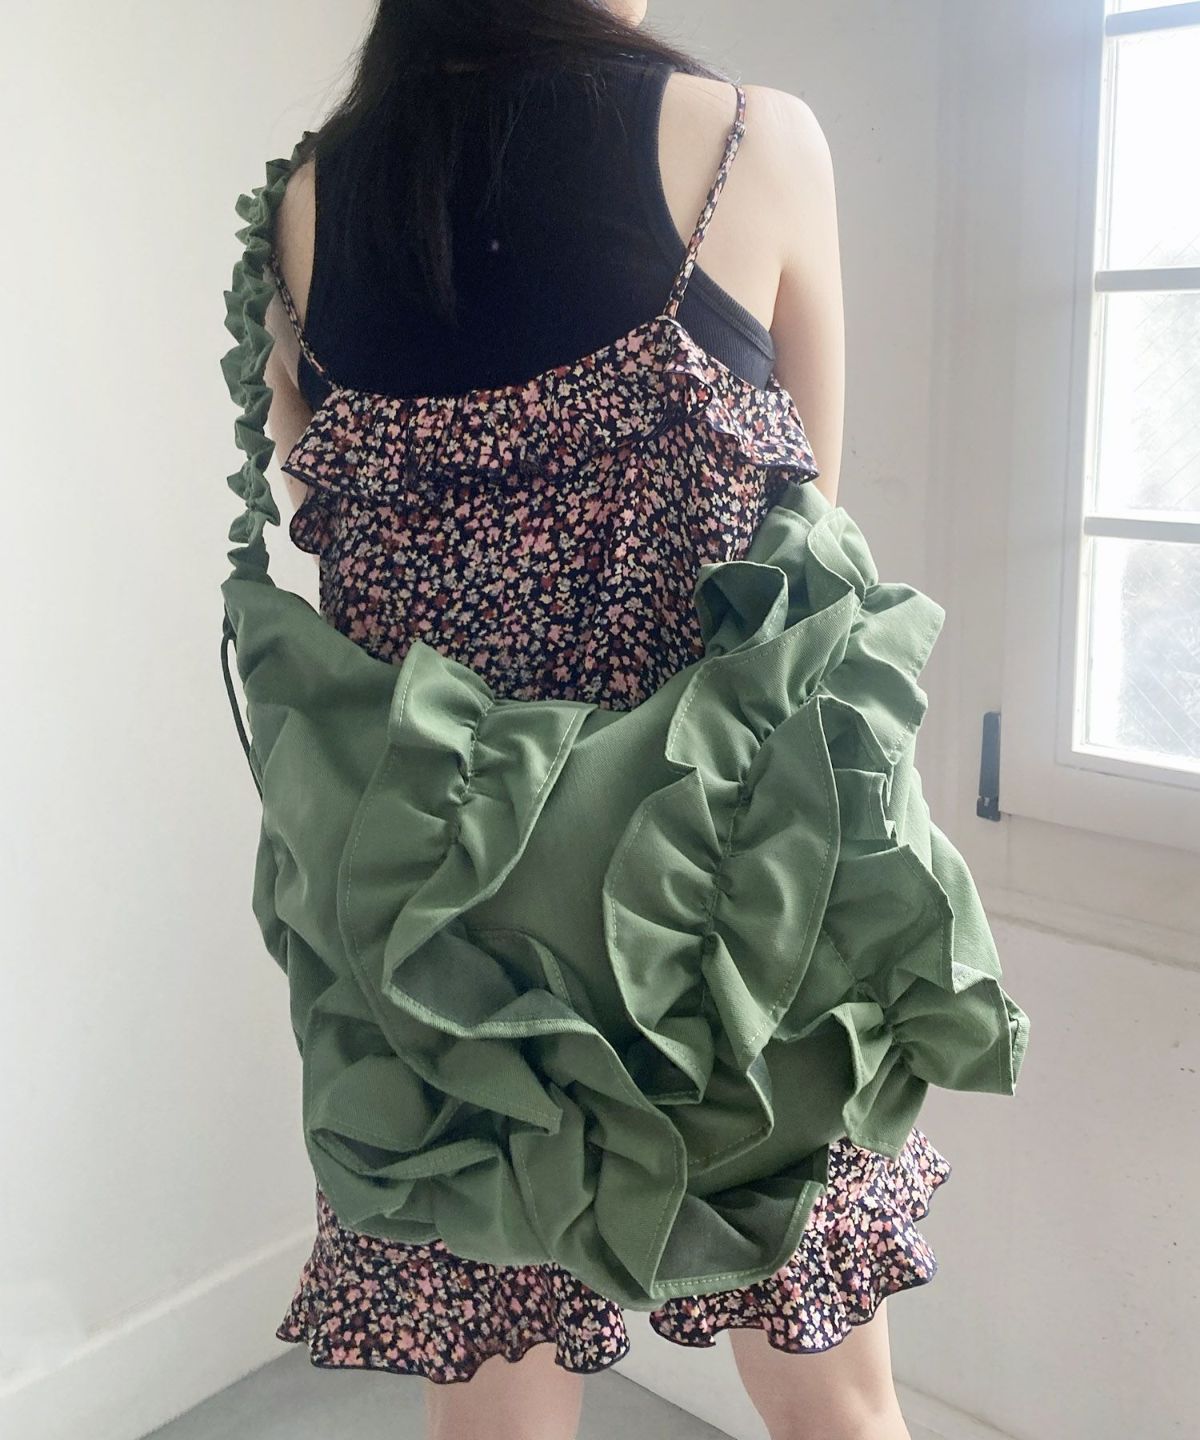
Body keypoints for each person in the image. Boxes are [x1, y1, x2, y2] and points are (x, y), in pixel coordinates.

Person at [258, 4, 946, 1438]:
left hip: (458, 931)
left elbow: (337, 536)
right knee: (835, 1399)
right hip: (720, 906)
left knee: (494, 1406)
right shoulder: (751, 140)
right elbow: (808, 539)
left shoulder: (314, 200)